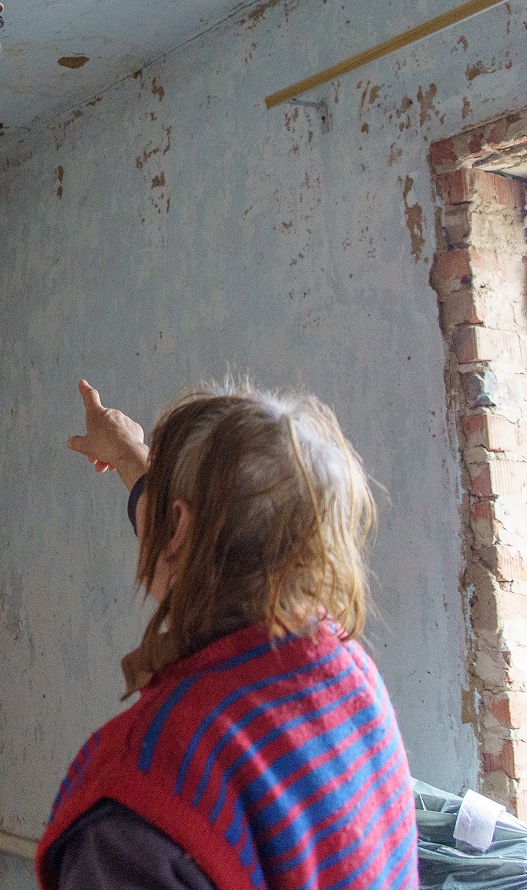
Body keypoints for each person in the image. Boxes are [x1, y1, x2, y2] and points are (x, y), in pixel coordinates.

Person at [37, 380, 420, 890]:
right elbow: (194, 534)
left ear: (177, 527)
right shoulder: (350, 673)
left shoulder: (140, 803)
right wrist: (132, 457)